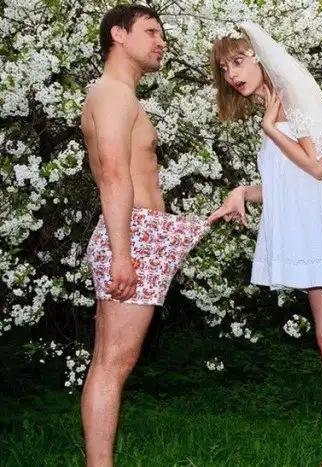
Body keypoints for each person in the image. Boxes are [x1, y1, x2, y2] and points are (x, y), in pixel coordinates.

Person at [208, 22, 322, 467]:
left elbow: (318, 167)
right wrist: (242, 192)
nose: (232, 74)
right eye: (224, 68)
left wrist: (271, 129)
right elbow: (289, 183)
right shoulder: (276, 104)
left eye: (238, 61)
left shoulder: (292, 99)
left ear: (259, 57)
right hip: (315, 232)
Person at [80, 5, 208, 466]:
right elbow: (115, 175)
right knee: (113, 363)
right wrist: (123, 254)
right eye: (151, 32)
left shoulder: (120, 95)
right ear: (119, 34)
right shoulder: (112, 93)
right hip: (130, 235)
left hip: (139, 233)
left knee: (111, 361)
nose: (161, 42)